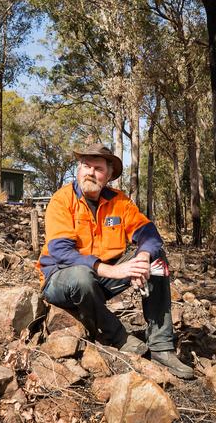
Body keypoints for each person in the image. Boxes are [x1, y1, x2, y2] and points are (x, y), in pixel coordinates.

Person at [36, 143, 194, 379]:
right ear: (78, 169)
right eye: (85, 166)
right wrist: (112, 270)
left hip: (100, 278)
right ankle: (117, 336)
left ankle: (162, 347)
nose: (89, 172)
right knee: (81, 276)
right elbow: (61, 252)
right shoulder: (62, 200)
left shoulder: (119, 202)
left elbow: (149, 233)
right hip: (60, 279)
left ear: (108, 175)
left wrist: (142, 256)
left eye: (97, 168)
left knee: (154, 259)